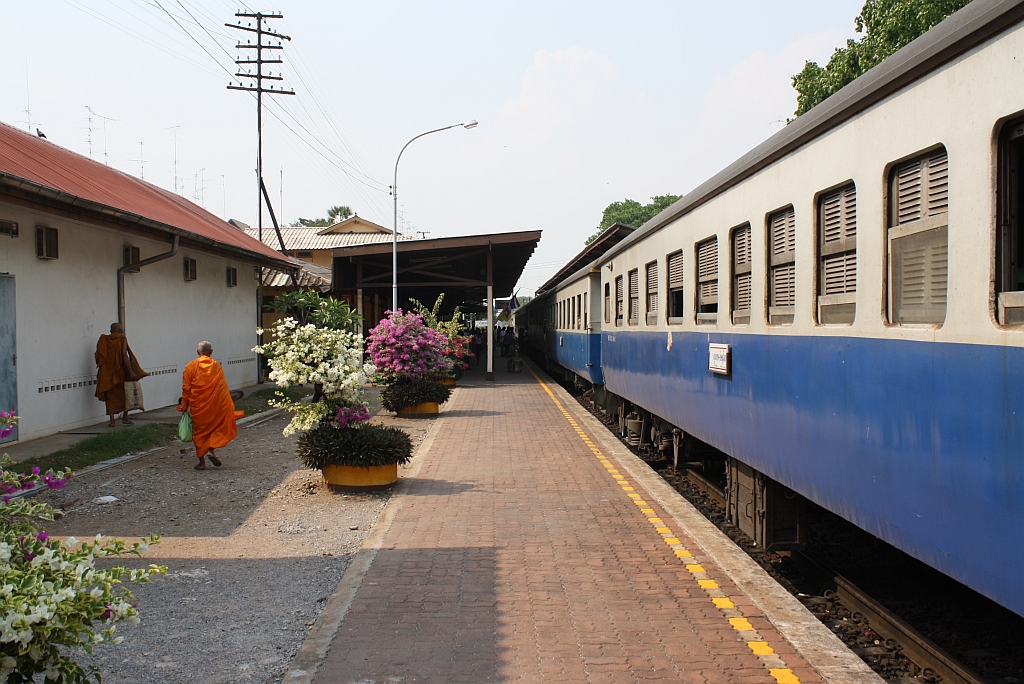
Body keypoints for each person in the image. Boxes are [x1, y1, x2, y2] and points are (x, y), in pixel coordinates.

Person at [178, 341, 238, 470]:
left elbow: (186, 388)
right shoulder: (216, 366)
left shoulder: (190, 366)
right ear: (211, 352)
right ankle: (211, 450)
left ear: (197, 352)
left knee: (199, 432)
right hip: (215, 406)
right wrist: (226, 405)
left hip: (198, 406)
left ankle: (201, 462)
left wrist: (184, 405)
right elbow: (222, 389)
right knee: (214, 429)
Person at [94, 322, 142, 427]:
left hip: (106, 373)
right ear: (120, 331)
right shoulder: (122, 339)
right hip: (120, 372)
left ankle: (112, 421)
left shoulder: (104, 340)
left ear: (111, 331)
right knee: (125, 394)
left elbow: (99, 357)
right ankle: (125, 417)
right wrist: (131, 371)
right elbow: (125, 356)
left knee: (110, 396)